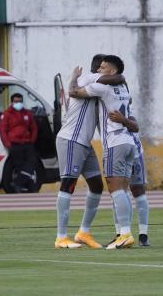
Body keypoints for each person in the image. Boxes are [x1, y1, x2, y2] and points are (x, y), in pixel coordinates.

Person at [54, 54, 125, 249]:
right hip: (71, 139)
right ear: (97, 70)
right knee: (68, 184)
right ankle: (61, 237)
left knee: (96, 185)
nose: (103, 71)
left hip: (84, 142)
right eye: (102, 68)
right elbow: (118, 78)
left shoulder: (94, 86)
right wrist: (74, 79)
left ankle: (83, 232)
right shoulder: (90, 78)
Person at [69, 55, 139, 249]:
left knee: (115, 189)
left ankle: (125, 233)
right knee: (123, 191)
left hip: (115, 143)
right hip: (129, 142)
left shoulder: (103, 87)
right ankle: (121, 233)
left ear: (113, 72)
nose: (98, 71)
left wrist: (74, 76)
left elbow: (74, 92)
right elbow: (133, 120)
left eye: (103, 68)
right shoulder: (124, 88)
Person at [106, 113, 150, 247]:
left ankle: (143, 234)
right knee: (118, 192)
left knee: (137, 192)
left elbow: (135, 127)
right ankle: (120, 233)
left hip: (133, 151)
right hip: (122, 149)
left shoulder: (126, 113)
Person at [0, 93, 38, 193]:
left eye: (20, 101)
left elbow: (33, 128)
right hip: (14, 144)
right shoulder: (7, 114)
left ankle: (18, 182)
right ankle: (27, 186)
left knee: (33, 161)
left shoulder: (27, 113)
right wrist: (7, 144)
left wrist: (32, 139)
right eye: (16, 101)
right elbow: (3, 130)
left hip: (27, 142)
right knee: (19, 166)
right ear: (12, 102)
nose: (18, 103)